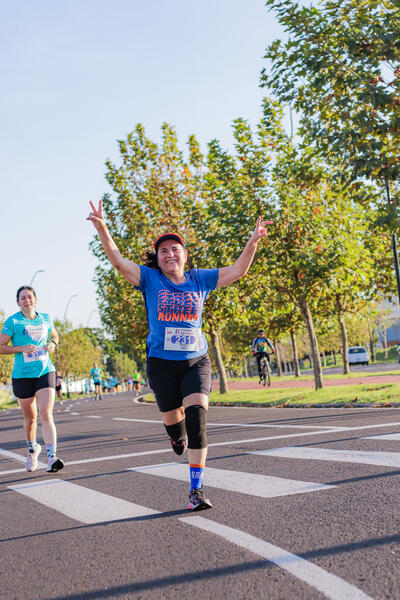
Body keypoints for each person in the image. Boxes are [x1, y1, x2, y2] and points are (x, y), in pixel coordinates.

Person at [87, 199, 272, 510]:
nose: (169, 254)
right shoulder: (149, 279)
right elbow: (118, 262)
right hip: (161, 366)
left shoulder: (201, 279)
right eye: (163, 252)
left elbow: (239, 270)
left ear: (184, 256)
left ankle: (196, 490)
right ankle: (175, 435)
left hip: (196, 361)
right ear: (158, 261)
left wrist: (251, 242)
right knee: (176, 424)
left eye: (175, 250)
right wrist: (103, 229)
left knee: (197, 418)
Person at [0, 286, 64, 473]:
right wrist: (21, 348)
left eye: (29, 297)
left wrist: (52, 344)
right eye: (22, 298)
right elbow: (1, 347)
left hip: (45, 371)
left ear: (35, 299)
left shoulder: (45, 318)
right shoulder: (12, 322)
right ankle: (32, 449)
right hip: (22, 376)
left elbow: (55, 335)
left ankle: (52, 457)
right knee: (31, 418)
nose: (26, 300)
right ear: (18, 302)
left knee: (45, 412)